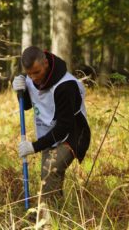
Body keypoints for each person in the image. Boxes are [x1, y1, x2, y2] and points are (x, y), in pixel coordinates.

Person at [12, 46, 91, 204]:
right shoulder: (31, 78)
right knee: (47, 176)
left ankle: (50, 220)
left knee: (50, 171)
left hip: (73, 134)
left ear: (46, 63)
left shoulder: (66, 86)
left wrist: (34, 147)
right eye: (29, 74)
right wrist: (20, 90)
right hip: (48, 133)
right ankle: (56, 216)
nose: (33, 78)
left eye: (37, 72)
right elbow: (27, 105)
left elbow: (64, 127)